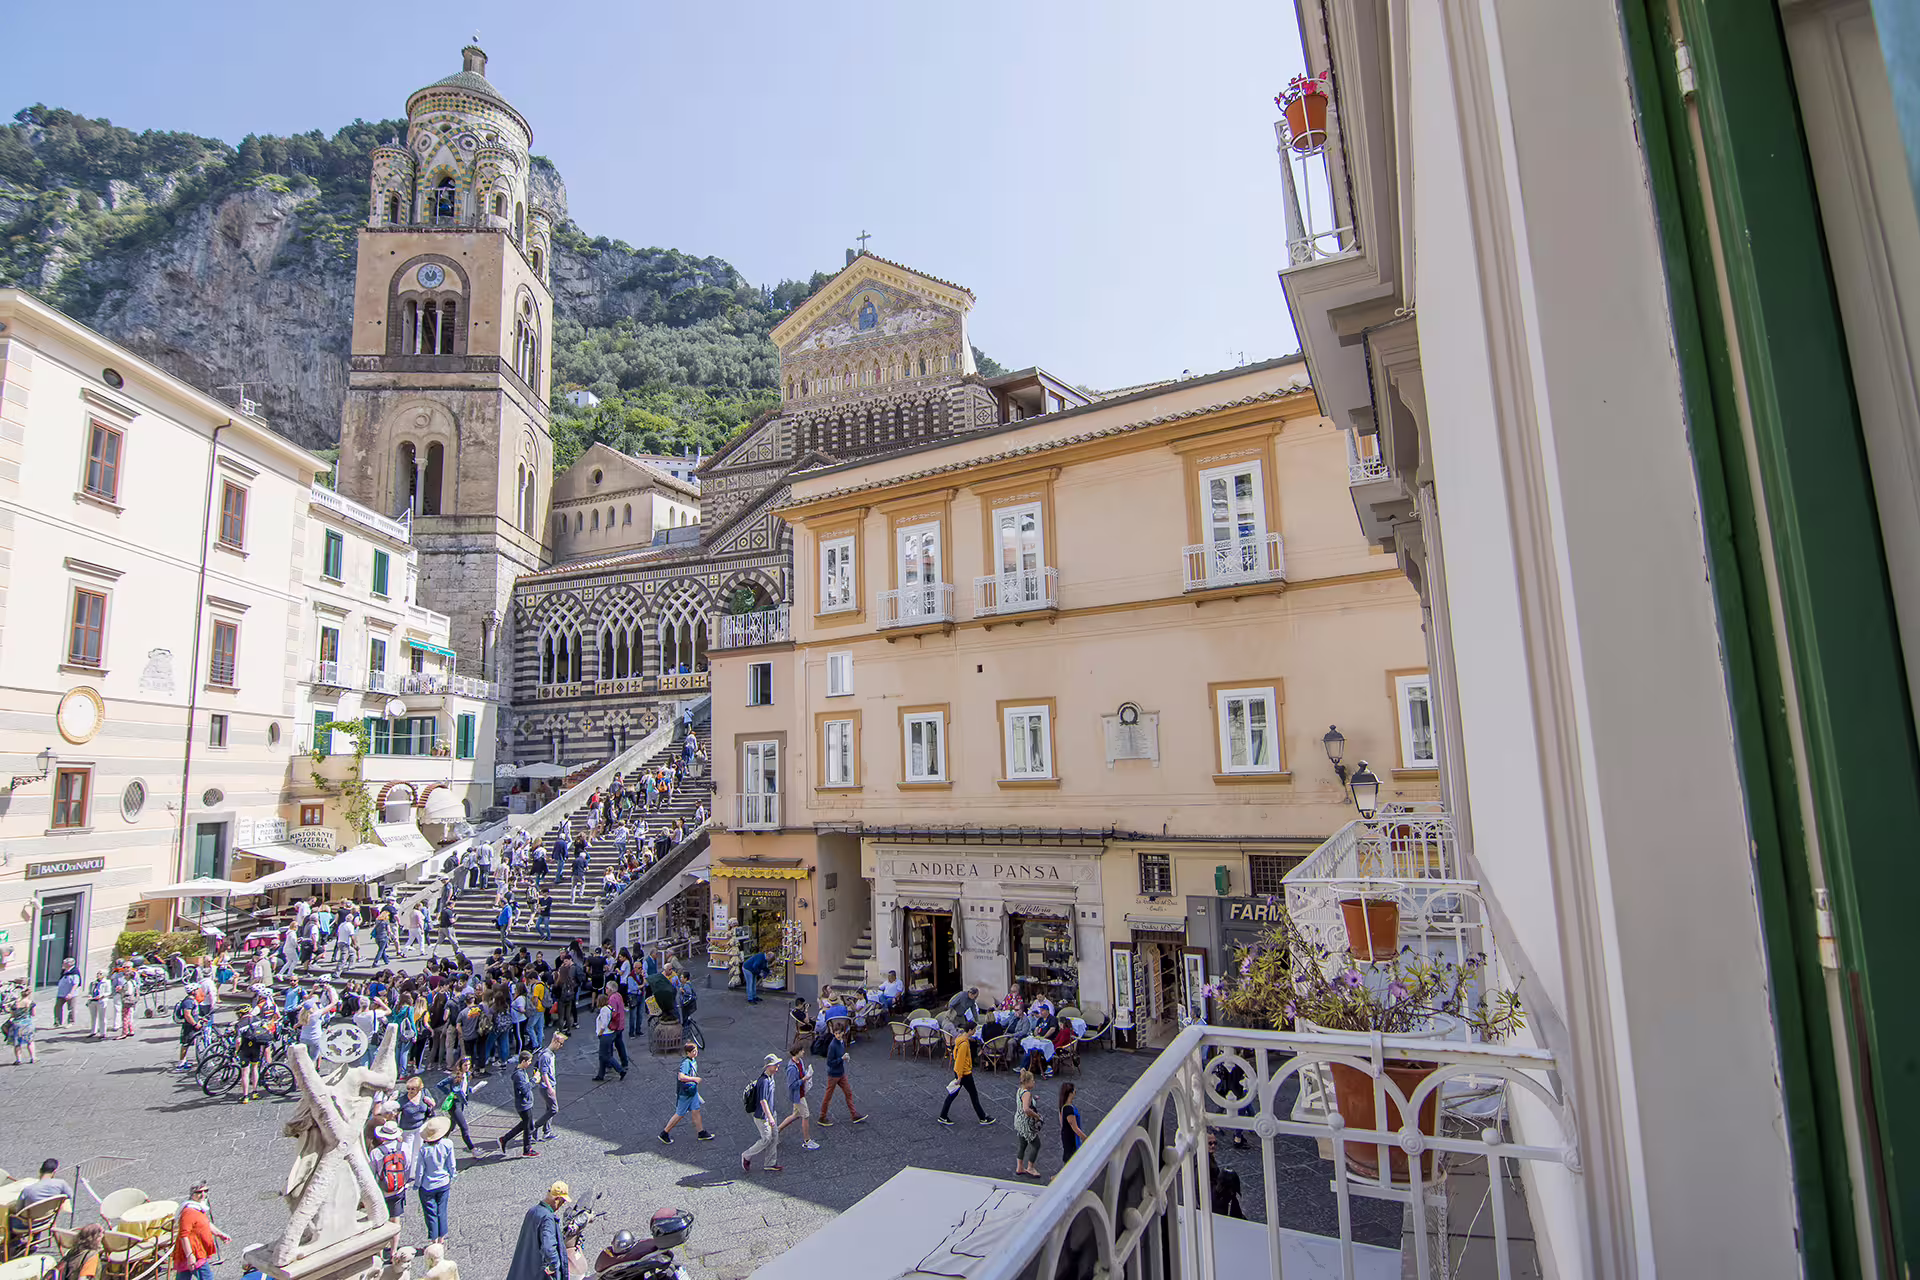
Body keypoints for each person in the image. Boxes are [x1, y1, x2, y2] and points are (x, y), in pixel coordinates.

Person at [506, 1183, 570, 1280]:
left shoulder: (532, 1210)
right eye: (563, 1201)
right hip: (537, 1273)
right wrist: (554, 1266)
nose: (563, 1204)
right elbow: (549, 1248)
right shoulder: (548, 1218)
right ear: (557, 1199)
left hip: (525, 1268)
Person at [171, 1183, 230, 1280]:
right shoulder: (189, 1212)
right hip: (195, 1253)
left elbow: (205, 1223)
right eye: (199, 1192)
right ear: (192, 1194)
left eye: (205, 1191)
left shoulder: (198, 1207)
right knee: (206, 1277)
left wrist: (219, 1234)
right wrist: (190, 1256)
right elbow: (184, 1235)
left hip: (195, 1252)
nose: (203, 1194)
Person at [416, 1114, 459, 1245]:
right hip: (443, 1182)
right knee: (442, 1210)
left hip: (428, 1185)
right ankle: (441, 1238)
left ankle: (433, 1239)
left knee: (430, 1212)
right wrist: (452, 1174)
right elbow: (451, 1163)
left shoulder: (424, 1150)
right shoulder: (448, 1144)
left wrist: (417, 1184)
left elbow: (420, 1170)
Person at [658, 1039, 712, 1143]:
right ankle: (664, 1133)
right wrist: (694, 1079)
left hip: (692, 1091)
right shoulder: (686, 1063)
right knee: (680, 1114)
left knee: (696, 1110)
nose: (696, 1053)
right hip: (686, 1093)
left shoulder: (692, 1060)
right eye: (693, 1051)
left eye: (696, 1050)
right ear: (688, 1053)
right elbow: (681, 1077)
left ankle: (701, 1132)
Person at [937, 1030, 993, 1126]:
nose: (975, 1031)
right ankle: (982, 1117)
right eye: (974, 1029)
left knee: (953, 1094)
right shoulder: (964, 1044)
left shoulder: (960, 1040)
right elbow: (960, 1061)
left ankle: (943, 1115)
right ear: (970, 1030)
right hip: (965, 1074)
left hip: (961, 1072)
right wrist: (959, 1077)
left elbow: (957, 1058)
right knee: (972, 1095)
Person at [815, 1024, 865, 1126]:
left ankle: (854, 1115)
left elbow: (841, 1054)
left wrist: (845, 1056)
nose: (837, 1035)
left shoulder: (842, 1042)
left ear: (843, 1032)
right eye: (836, 1033)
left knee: (848, 1093)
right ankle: (822, 1117)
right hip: (833, 1075)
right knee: (828, 1096)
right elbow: (830, 1062)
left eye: (839, 1033)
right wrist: (841, 1059)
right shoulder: (833, 1045)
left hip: (841, 1073)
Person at [741, 1053, 783, 1174]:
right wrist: (770, 1118)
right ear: (768, 1066)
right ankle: (746, 1155)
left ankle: (770, 1163)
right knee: (766, 1139)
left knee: (774, 1138)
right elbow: (763, 1101)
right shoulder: (763, 1081)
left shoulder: (771, 1077)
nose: (777, 1067)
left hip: (771, 1113)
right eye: (775, 1065)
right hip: (762, 1117)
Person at [777, 1044, 819, 1151]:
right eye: (802, 1050)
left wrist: (807, 1075)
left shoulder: (800, 1061)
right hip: (798, 1096)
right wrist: (804, 1079)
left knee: (795, 1115)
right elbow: (791, 1085)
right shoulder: (791, 1068)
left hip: (800, 1093)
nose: (803, 1052)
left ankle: (776, 1132)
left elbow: (802, 1074)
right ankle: (807, 1141)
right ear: (797, 1052)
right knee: (806, 1115)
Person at [498, 1051, 540, 1158]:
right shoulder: (518, 1075)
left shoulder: (521, 1071)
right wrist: (534, 1079)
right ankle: (527, 1150)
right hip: (524, 1105)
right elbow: (525, 1089)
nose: (530, 1063)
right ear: (523, 1061)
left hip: (526, 1103)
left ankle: (504, 1139)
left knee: (525, 1125)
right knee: (528, 1127)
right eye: (529, 1061)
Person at [372, 1121, 410, 1229]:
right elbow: (408, 1165)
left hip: (383, 1189)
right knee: (395, 1218)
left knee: (383, 1219)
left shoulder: (376, 1152)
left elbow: (372, 1173)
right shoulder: (404, 1147)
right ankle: (395, 1240)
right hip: (399, 1187)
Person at [1013, 1070, 1044, 1178]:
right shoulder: (1027, 1093)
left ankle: (1019, 1167)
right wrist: (1036, 1116)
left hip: (1019, 1121)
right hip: (1026, 1123)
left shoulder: (1020, 1090)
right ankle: (1030, 1167)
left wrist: (1033, 1099)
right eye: (1032, 1080)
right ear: (1027, 1082)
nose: (1034, 1082)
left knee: (1023, 1144)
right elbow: (1026, 1109)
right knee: (1036, 1145)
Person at [590, 996, 626, 1082]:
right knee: (602, 1056)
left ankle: (620, 1070)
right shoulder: (609, 1007)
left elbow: (604, 1023)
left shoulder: (603, 1010)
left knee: (606, 1056)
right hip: (610, 1033)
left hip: (605, 1035)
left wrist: (600, 1032)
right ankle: (600, 1075)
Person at [1059, 1081, 1086, 1162]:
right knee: (1071, 1156)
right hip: (1071, 1137)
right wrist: (1085, 1138)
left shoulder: (1064, 1106)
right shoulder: (1069, 1110)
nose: (1075, 1092)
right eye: (1074, 1091)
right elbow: (1075, 1128)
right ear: (1070, 1093)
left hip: (1067, 1135)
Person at [52, 958, 82, 1027]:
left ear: (69, 964)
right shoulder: (64, 971)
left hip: (70, 994)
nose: (63, 964)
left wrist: (71, 993)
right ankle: (57, 1022)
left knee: (71, 1008)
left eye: (64, 963)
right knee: (57, 1007)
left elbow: (76, 984)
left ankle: (71, 1022)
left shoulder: (74, 972)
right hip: (61, 993)